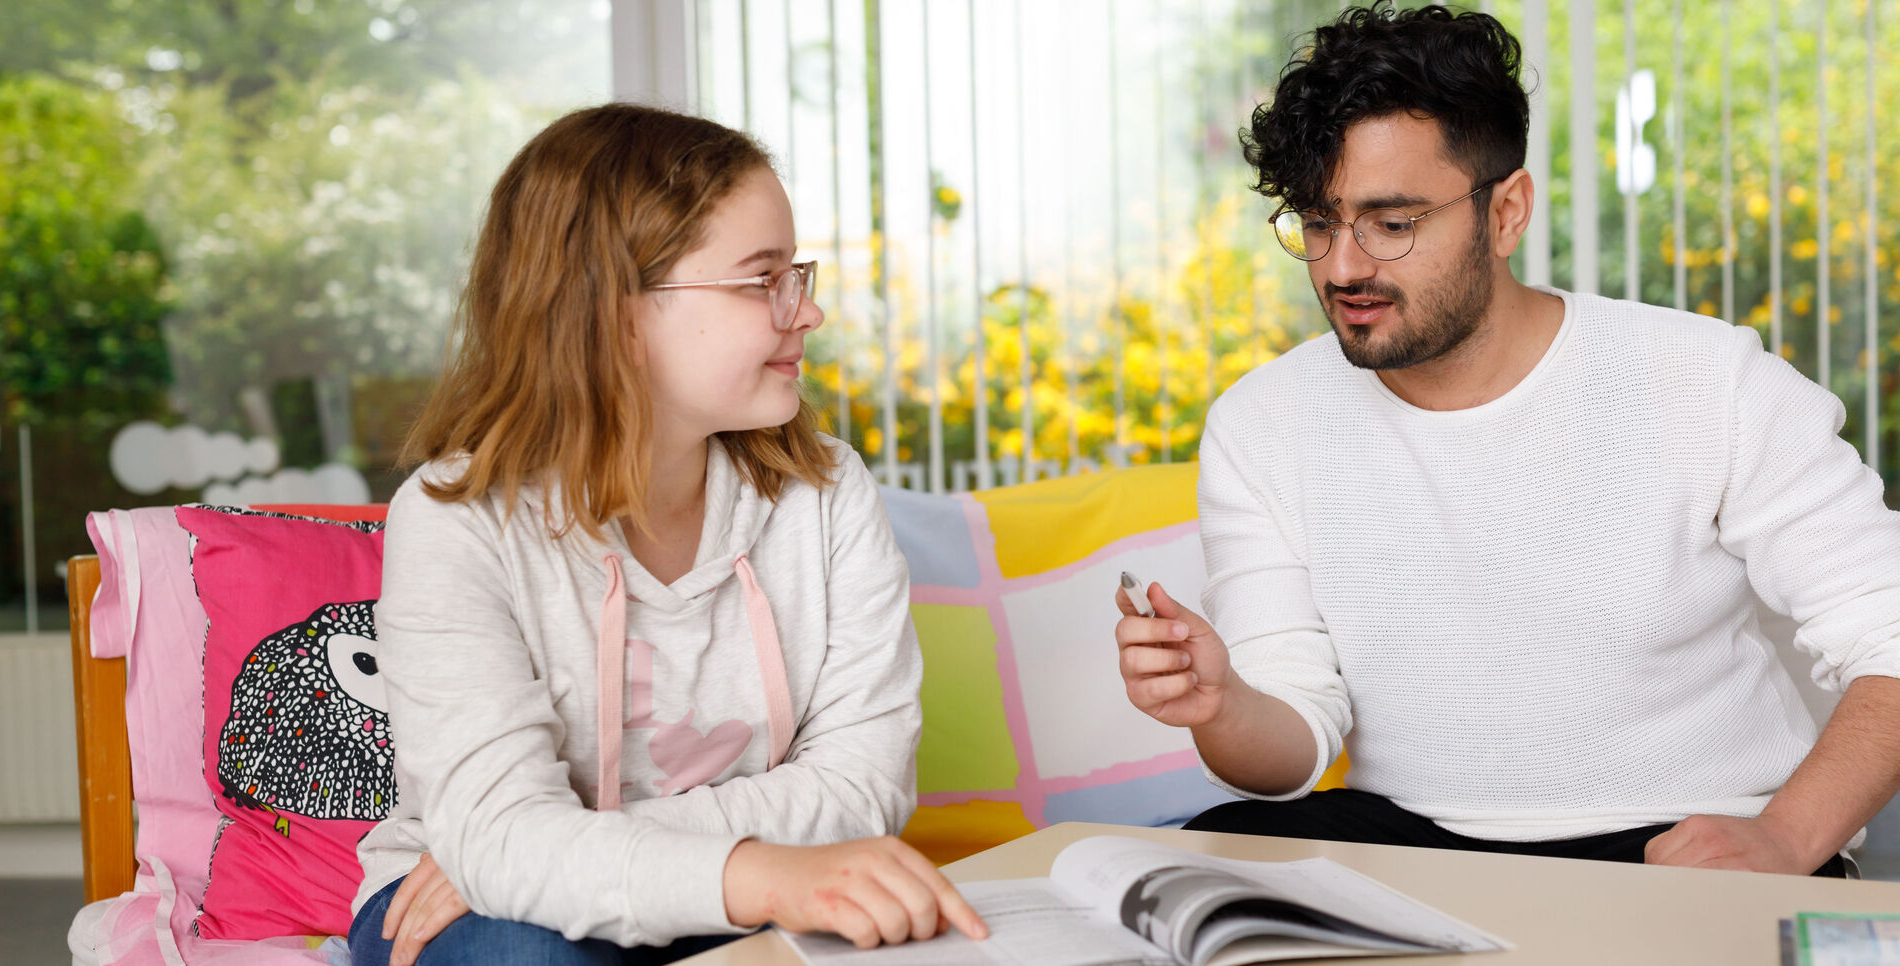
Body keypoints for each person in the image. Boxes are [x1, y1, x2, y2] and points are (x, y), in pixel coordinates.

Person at [1114, 2, 1900, 878]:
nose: (1342, 266)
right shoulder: (1262, 421)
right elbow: (1290, 740)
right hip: (1415, 839)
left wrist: (1788, 837)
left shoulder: (1710, 380)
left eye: (1392, 223)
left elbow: (1890, 636)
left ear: (1507, 212)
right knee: (1205, 858)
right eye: (1319, 222)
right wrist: (1222, 705)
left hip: (1682, 836)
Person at [349, 103, 987, 966]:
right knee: (527, 953)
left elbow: (862, 789)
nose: (807, 312)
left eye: (796, 275)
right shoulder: (455, 522)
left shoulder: (827, 492)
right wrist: (516, 854)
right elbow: (500, 842)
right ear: (616, 316)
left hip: (751, 889)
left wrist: (553, 850)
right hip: (482, 913)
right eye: (762, 280)